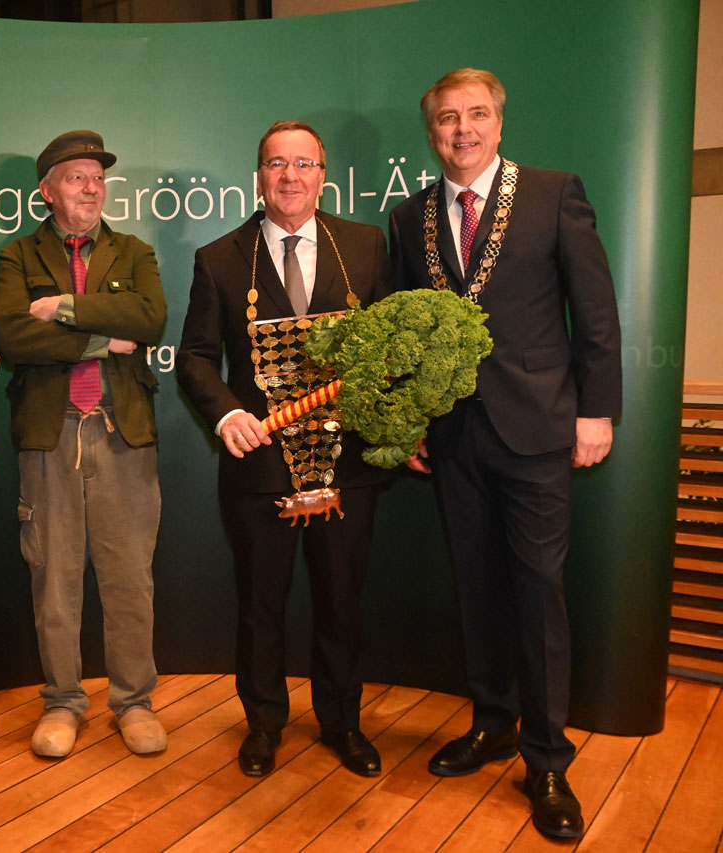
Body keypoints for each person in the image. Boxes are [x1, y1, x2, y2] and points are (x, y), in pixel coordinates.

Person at [388, 68, 621, 841]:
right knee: (476, 586)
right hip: (454, 436)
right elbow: (409, 330)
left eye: (477, 115)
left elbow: (594, 310)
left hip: (539, 429)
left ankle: (547, 759)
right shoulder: (408, 216)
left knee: (537, 591)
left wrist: (597, 409)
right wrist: (417, 415)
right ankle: (491, 720)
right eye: (448, 119)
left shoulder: (554, 193)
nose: (463, 130)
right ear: (432, 133)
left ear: (498, 122)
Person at [177, 121, 393, 779]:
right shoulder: (219, 257)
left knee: (341, 601)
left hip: (346, 464)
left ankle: (342, 722)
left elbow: (387, 347)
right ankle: (264, 723)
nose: (290, 176)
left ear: (322, 174)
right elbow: (193, 357)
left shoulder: (365, 244)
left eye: (303, 163)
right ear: (260, 174)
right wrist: (227, 412)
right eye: (277, 163)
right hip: (261, 467)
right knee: (261, 605)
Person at [0, 130, 167, 758]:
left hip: (123, 434)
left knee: (128, 576)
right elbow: (13, 338)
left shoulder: (135, 250)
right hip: (51, 433)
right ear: (48, 191)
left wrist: (61, 306)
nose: (91, 187)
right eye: (75, 177)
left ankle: (133, 701)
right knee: (55, 577)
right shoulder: (17, 256)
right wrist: (102, 337)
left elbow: (148, 321)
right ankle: (63, 702)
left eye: (97, 176)